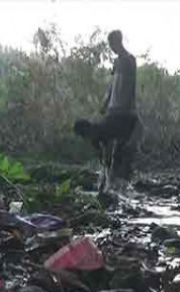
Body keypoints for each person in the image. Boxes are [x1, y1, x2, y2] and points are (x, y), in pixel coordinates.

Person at [74, 29, 141, 192]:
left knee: (120, 149)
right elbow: (112, 84)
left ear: (119, 41)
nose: (112, 48)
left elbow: (131, 86)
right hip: (113, 109)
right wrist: (105, 102)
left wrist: (130, 107)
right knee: (107, 146)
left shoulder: (130, 60)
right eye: (110, 45)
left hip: (124, 110)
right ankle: (108, 183)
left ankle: (117, 183)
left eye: (113, 44)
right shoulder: (117, 62)